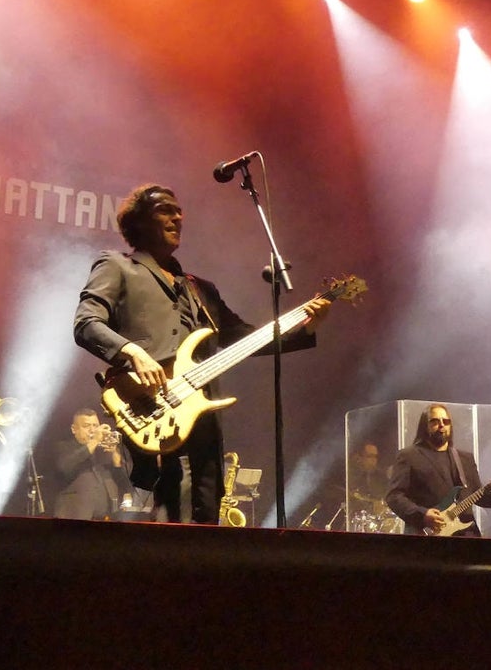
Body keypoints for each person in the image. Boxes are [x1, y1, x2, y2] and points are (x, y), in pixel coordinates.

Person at [73, 183, 331, 524]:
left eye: (179, 210)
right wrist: (132, 352)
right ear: (139, 221)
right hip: (149, 411)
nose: (177, 216)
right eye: (165, 209)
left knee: (207, 511)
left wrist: (306, 326)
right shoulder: (118, 266)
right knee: (166, 510)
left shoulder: (200, 289)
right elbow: (86, 323)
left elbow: (246, 339)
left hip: (202, 420)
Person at [385, 404, 491, 537]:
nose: (441, 425)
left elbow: (477, 496)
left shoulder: (465, 459)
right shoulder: (409, 456)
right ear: (424, 426)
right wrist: (423, 514)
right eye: (435, 421)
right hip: (429, 536)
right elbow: (394, 496)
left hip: (467, 536)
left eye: (446, 422)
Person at [52, 408, 132, 520]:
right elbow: (64, 468)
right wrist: (94, 441)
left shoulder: (102, 452)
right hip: (72, 518)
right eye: (86, 426)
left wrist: (115, 454)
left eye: (95, 426)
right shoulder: (63, 447)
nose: (92, 430)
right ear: (74, 429)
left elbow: (126, 484)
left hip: (103, 519)